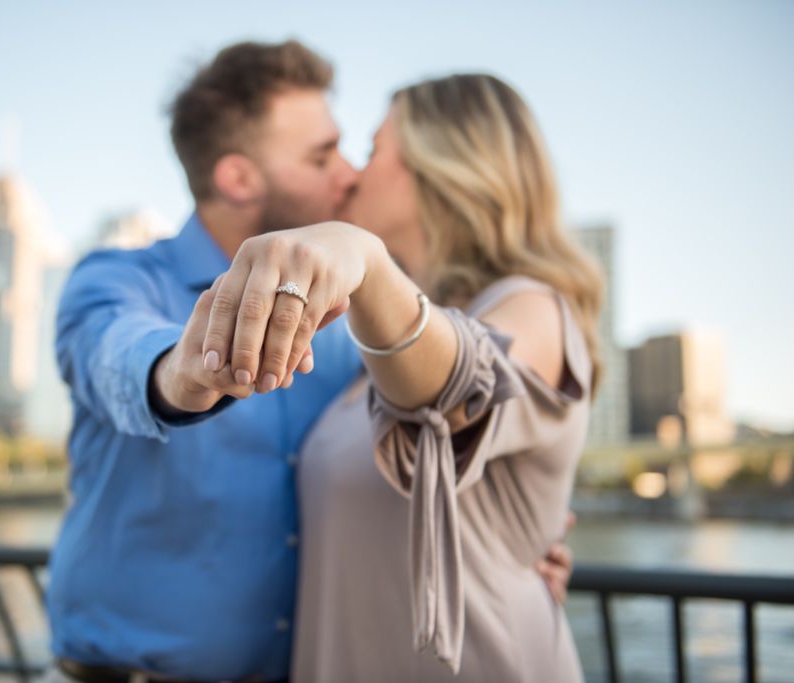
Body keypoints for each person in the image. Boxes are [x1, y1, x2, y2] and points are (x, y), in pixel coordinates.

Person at [48, 39, 576, 682]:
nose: (347, 172)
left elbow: (440, 421)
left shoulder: (349, 327)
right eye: (322, 155)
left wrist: (505, 535)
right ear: (239, 178)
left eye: (356, 149)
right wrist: (185, 370)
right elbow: (116, 357)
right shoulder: (118, 281)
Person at [197, 73, 601, 682]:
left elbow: (456, 389)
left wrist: (361, 257)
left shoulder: (534, 306)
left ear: (444, 169)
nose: (354, 173)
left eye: (374, 147)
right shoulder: (363, 352)